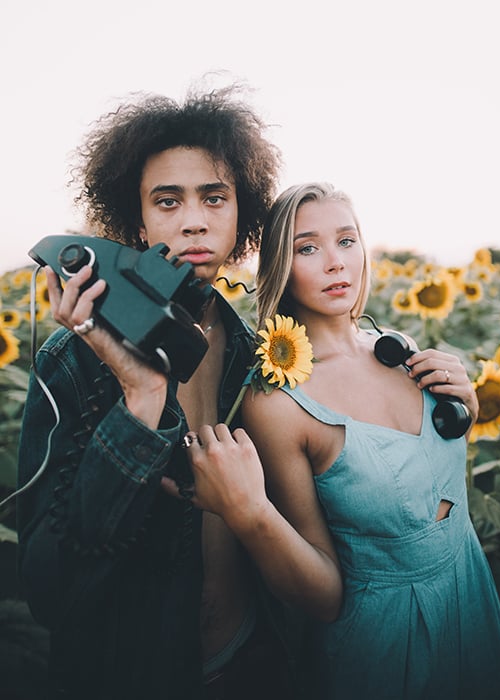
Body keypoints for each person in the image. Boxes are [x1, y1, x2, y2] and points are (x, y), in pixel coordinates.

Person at [182, 182, 500, 699]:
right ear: (281, 266)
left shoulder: (398, 349)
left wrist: (466, 411)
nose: (335, 262)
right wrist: (249, 511)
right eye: (307, 248)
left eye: (346, 240)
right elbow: (322, 597)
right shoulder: (278, 402)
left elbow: (432, 490)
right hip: (386, 643)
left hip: (470, 597)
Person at [16, 82, 295, 700]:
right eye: (167, 202)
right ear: (136, 224)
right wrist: (140, 398)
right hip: (130, 671)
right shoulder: (71, 363)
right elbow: (51, 591)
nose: (193, 219)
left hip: (251, 661)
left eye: (214, 198)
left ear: (241, 214)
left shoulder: (263, 352)